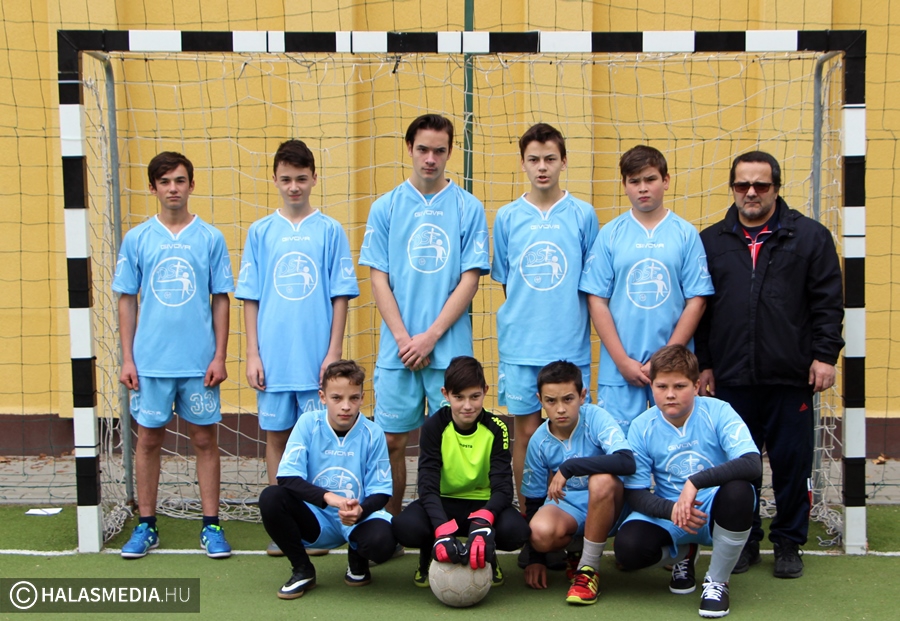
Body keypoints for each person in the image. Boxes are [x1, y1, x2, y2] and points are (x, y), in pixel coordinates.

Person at [695, 151, 844, 578]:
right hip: (731, 376)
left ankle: (788, 542)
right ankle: (741, 541)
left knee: (792, 463)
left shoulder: (810, 237)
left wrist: (825, 356)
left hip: (790, 375)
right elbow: (702, 310)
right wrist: (704, 364)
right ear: (732, 188)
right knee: (736, 465)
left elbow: (827, 302)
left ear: (776, 188)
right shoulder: (711, 242)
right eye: (742, 185)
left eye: (760, 185)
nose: (751, 193)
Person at [359, 114, 490, 516]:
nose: (430, 159)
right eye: (422, 150)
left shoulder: (468, 207)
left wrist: (430, 337)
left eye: (439, 151)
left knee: (453, 443)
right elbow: (378, 278)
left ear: (450, 152)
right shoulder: (385, 207)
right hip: (398, 351)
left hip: (447, 351)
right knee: (392, 442)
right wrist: (404, 339)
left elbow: (470, 280)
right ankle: (391, 524)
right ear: (409, 149)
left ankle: (448, 526)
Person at [235, 139, 359, 556]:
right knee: (277, 439)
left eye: (301, 179)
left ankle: (317, 527)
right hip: (273, 359)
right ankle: (284, 526)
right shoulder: (260, 232)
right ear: (274, 179)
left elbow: (340, 295)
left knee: (315, 443)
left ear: (314, 179)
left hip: (315, 359)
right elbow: (250, 297)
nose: (293, 187)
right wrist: (253, 353)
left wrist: (333, 352)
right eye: (286, 179)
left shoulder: (330, 230)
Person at [113, 151, 234, 559]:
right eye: (164, 182)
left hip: (199, 363)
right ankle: (146, 525)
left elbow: (221, 299)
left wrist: (219, 355)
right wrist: (128, 358)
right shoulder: (138, 239)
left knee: (204, 439)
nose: (173, 189)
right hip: (150, 362)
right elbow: (127, 299)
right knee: (148, 439)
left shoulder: (210, 238)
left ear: (191, 185)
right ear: (152, 188)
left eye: (180, 180)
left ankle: (211, 524)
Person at [491, 123, 599, 501]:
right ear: (522, 163)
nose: (542, 167)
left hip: (569, 345)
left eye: (550, 159)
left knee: (572, 433)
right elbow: (507, 281)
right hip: (521, 346)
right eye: (534, 159)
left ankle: (573, 515)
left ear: (563, 162)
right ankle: (530, 512)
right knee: (525, 433)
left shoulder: (583, 214)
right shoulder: (507, 217)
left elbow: (591, 281)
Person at [614, 345, 761, 618]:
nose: (670, 394)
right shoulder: (641, 425)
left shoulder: (718, 411)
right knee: (628, 550)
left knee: (740, 491)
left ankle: (717, 582)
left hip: (714, 508)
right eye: (662, 386)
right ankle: (683, 553)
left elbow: (752, 462)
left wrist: (695, 482)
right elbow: (635, 492)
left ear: (696, 386)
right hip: (672, 512)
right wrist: (671, 510)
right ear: (652, 387)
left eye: (680, 386)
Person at [579, 145, 713, 432]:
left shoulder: (685, 234)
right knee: (620, 449)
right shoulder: (610, 233)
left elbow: (697, 301)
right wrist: (622, 361)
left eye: (650, 179)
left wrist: (665, 359)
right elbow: (596, 300)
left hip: (673, 371)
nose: (643, 188)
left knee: (675, 443)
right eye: (634, 181)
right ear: (624, 185)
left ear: (665, 181)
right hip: (620, 370)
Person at [258, 360, 397, 599]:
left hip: (358, 517)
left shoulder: (373, 433)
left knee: (384, 543)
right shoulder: (308, 423)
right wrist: (330, 498)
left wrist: (360, 510)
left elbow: (382, 491)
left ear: (362, 398)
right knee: (271, 497)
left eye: (354, 398)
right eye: (336, 398)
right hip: (317, 518)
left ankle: (357, 558)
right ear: (322, 397)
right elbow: (288, 477)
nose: (346, 406)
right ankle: (302, 569)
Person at [391, 356, 530, 588]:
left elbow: (503, 488)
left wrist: (484, 520)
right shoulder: (434, 426)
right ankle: (429, 552)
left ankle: (488, 552)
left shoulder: (497, 428)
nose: (467, 406)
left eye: (475, 396)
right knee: (405, 528)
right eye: (459, 397)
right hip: (444, 503)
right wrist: (441, 528)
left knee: (517, 532)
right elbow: (427, 485)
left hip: (482, 504)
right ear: (445, 394)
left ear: (485, 391)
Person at [519, 360, 634, 605]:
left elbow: (626, 462)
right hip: (568, 507)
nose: (560, 409)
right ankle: (576, 550)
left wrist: (570, 467)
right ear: (540, 401)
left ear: (582, 396)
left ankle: (588, 570)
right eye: (551, 401)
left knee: (601, 480)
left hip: (610, 505)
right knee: (540, 533)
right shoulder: (539, 441)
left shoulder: (596, 418)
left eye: (568, 399)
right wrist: (536, 559)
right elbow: (534, 500)